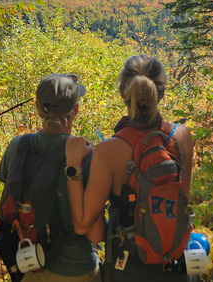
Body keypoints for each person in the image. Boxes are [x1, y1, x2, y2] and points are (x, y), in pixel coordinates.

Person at [65, 55, 194, 281]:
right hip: (175, 263)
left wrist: (74, 167)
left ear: (123, 94)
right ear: (161, 93)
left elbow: (83, 224)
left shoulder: (108, 151)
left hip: (128, 268)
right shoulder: (182, 137)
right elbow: (182, 198)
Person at [0, 73, 103, 282]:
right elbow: (95, 234)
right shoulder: (86, 156)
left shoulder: (18, 147)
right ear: (76, 110)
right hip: (78, 270)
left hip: (30, 268)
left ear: (37, 107)